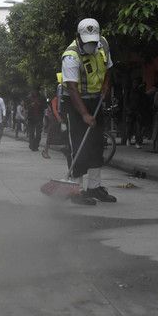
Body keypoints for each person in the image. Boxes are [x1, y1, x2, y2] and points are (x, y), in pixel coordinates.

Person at [61, 18, 116, 205]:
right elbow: (72, 88)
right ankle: (76, 191)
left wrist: (106, 85)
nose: (91, 45)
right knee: (79, 146)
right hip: (75, 103)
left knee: (97, 144)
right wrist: (84, 114)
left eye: (93, 41)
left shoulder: (104, 44)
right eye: (87, 42)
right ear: (78, 37)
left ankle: (94, 187)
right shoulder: (70, 56)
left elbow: (108, 68)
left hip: (96, 100)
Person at [25, 87, 46, 151]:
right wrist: (31, 105)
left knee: (38, 134)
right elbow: (25, 107)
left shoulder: (42, 97)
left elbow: (45, 106)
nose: (34, 92)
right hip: (31, 118)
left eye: (35, 90)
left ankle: (36, 146)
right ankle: (32, 145)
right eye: (33, 90)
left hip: (39, 118)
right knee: (31, 133)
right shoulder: (28, 98)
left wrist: (40, 104)